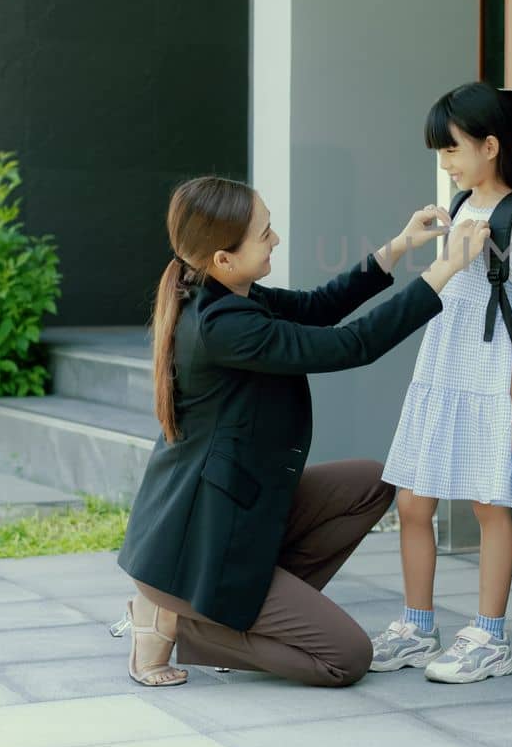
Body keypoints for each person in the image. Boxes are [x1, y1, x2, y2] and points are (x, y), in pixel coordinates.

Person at [116, 175, 489, 688]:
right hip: (197, 551)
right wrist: (446, 269)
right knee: (346, 659)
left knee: (372, 482)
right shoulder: (223, 326)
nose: (275, 239)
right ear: (223, 258)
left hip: (230, 516)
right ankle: (184, 623)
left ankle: (232, 611)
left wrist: (399, 247)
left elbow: (317, 307)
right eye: (264, 233)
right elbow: (349, 346)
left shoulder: (225, 292)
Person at [370, 83, 512, 683]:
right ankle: (416, 625)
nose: (445, 162)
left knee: (489, 503)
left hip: (488, 370)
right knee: (412, 499)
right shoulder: (460, 206)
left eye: (452, 149)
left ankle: (489, 638)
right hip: (441, 362)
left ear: (490, 146)